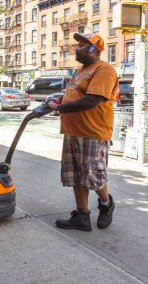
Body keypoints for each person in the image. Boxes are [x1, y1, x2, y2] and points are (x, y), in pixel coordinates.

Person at [47, 34, 118, 232]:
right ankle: (82, 215)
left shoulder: (104, 70)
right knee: (76, 176)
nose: (76, 48)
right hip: (72, 131)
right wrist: (59, 101)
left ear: (92, 49)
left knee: (94, 175)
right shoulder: (79, 71)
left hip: (93, 132)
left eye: (81, 45)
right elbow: (73, 95)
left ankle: (106, 204)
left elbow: (92, 100)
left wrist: (58, 108)